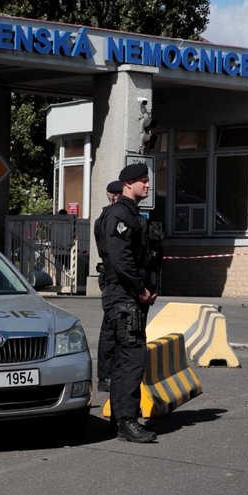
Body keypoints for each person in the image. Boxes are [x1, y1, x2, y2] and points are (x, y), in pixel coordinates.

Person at [100, 163, 158, 443]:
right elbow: (122, 260)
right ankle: (127, 421)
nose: (147, 185)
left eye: (147, 181)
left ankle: (121, 418)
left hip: (127, 297)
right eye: (143, 181)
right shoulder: (120, 215)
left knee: (126, 359)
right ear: (128, 184)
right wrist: (140, 290)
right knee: (131, 359)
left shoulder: (131, 213)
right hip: (124, 297)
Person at [93, 179, 123, 393]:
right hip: (115, 280)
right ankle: (106, 377)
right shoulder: (111, 218)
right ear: (115, 196)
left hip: (112, 279)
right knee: (112, 331)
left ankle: (107, 375)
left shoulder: (105, 217)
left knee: (112, 329)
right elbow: (116, 254)